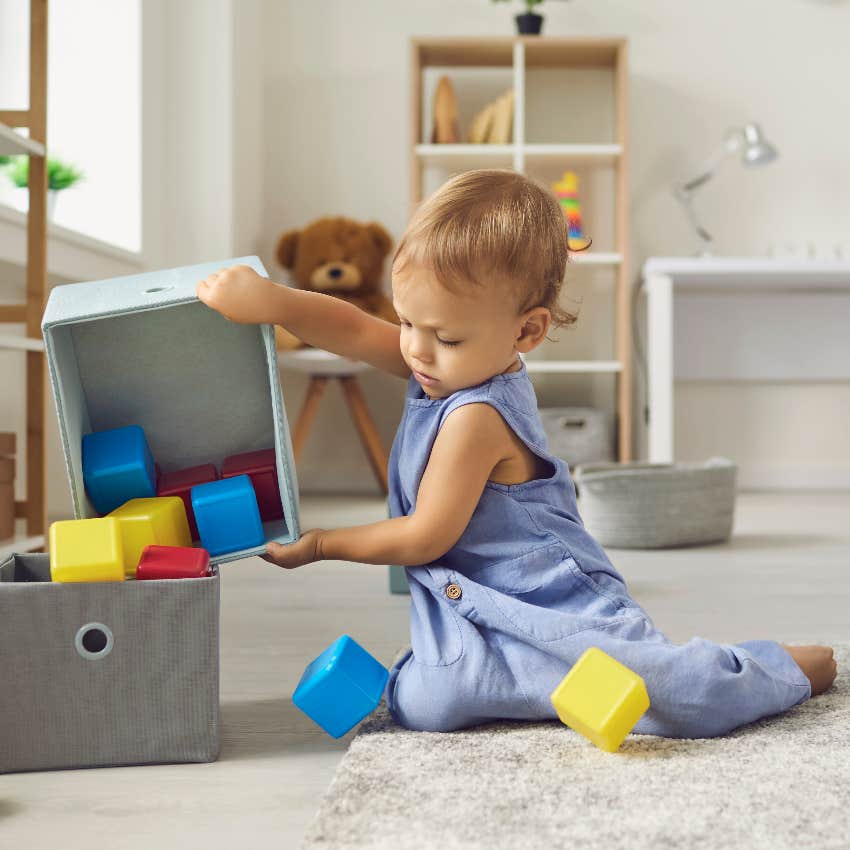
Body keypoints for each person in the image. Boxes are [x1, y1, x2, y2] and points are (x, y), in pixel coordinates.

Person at [196, 169, 836, 736]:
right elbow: (354, 330)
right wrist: (270, 303)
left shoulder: (476, 413)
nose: (414, 348)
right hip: (476, 602)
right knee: (427, 705)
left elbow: (423, 536)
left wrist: (320, 545)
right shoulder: (445, 360)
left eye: (441, 334)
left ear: (525, 330)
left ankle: (778, 666)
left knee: (677, 698)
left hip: (559, 602)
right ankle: (540, 686)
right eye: (408, 321)